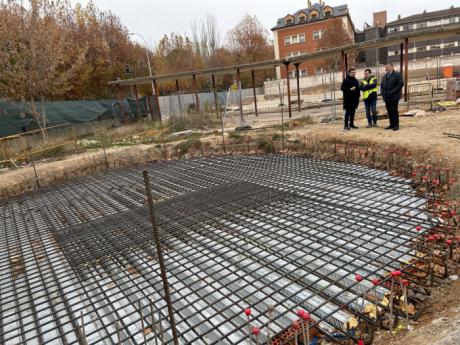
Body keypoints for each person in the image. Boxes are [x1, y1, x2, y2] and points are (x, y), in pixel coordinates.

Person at [380, 63, 404, 131]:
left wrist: (393, 91)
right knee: (389, 111)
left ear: (392, 67)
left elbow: (401, 84)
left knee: (394, 110)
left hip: (394, 96)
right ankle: (391, 124)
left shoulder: (397, 74)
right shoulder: (384, 76)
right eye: (385, 67)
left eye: (387, 67)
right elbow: (381, 86)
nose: (386, 68)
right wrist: (382, 93)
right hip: (386, 97)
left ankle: (396, 125)